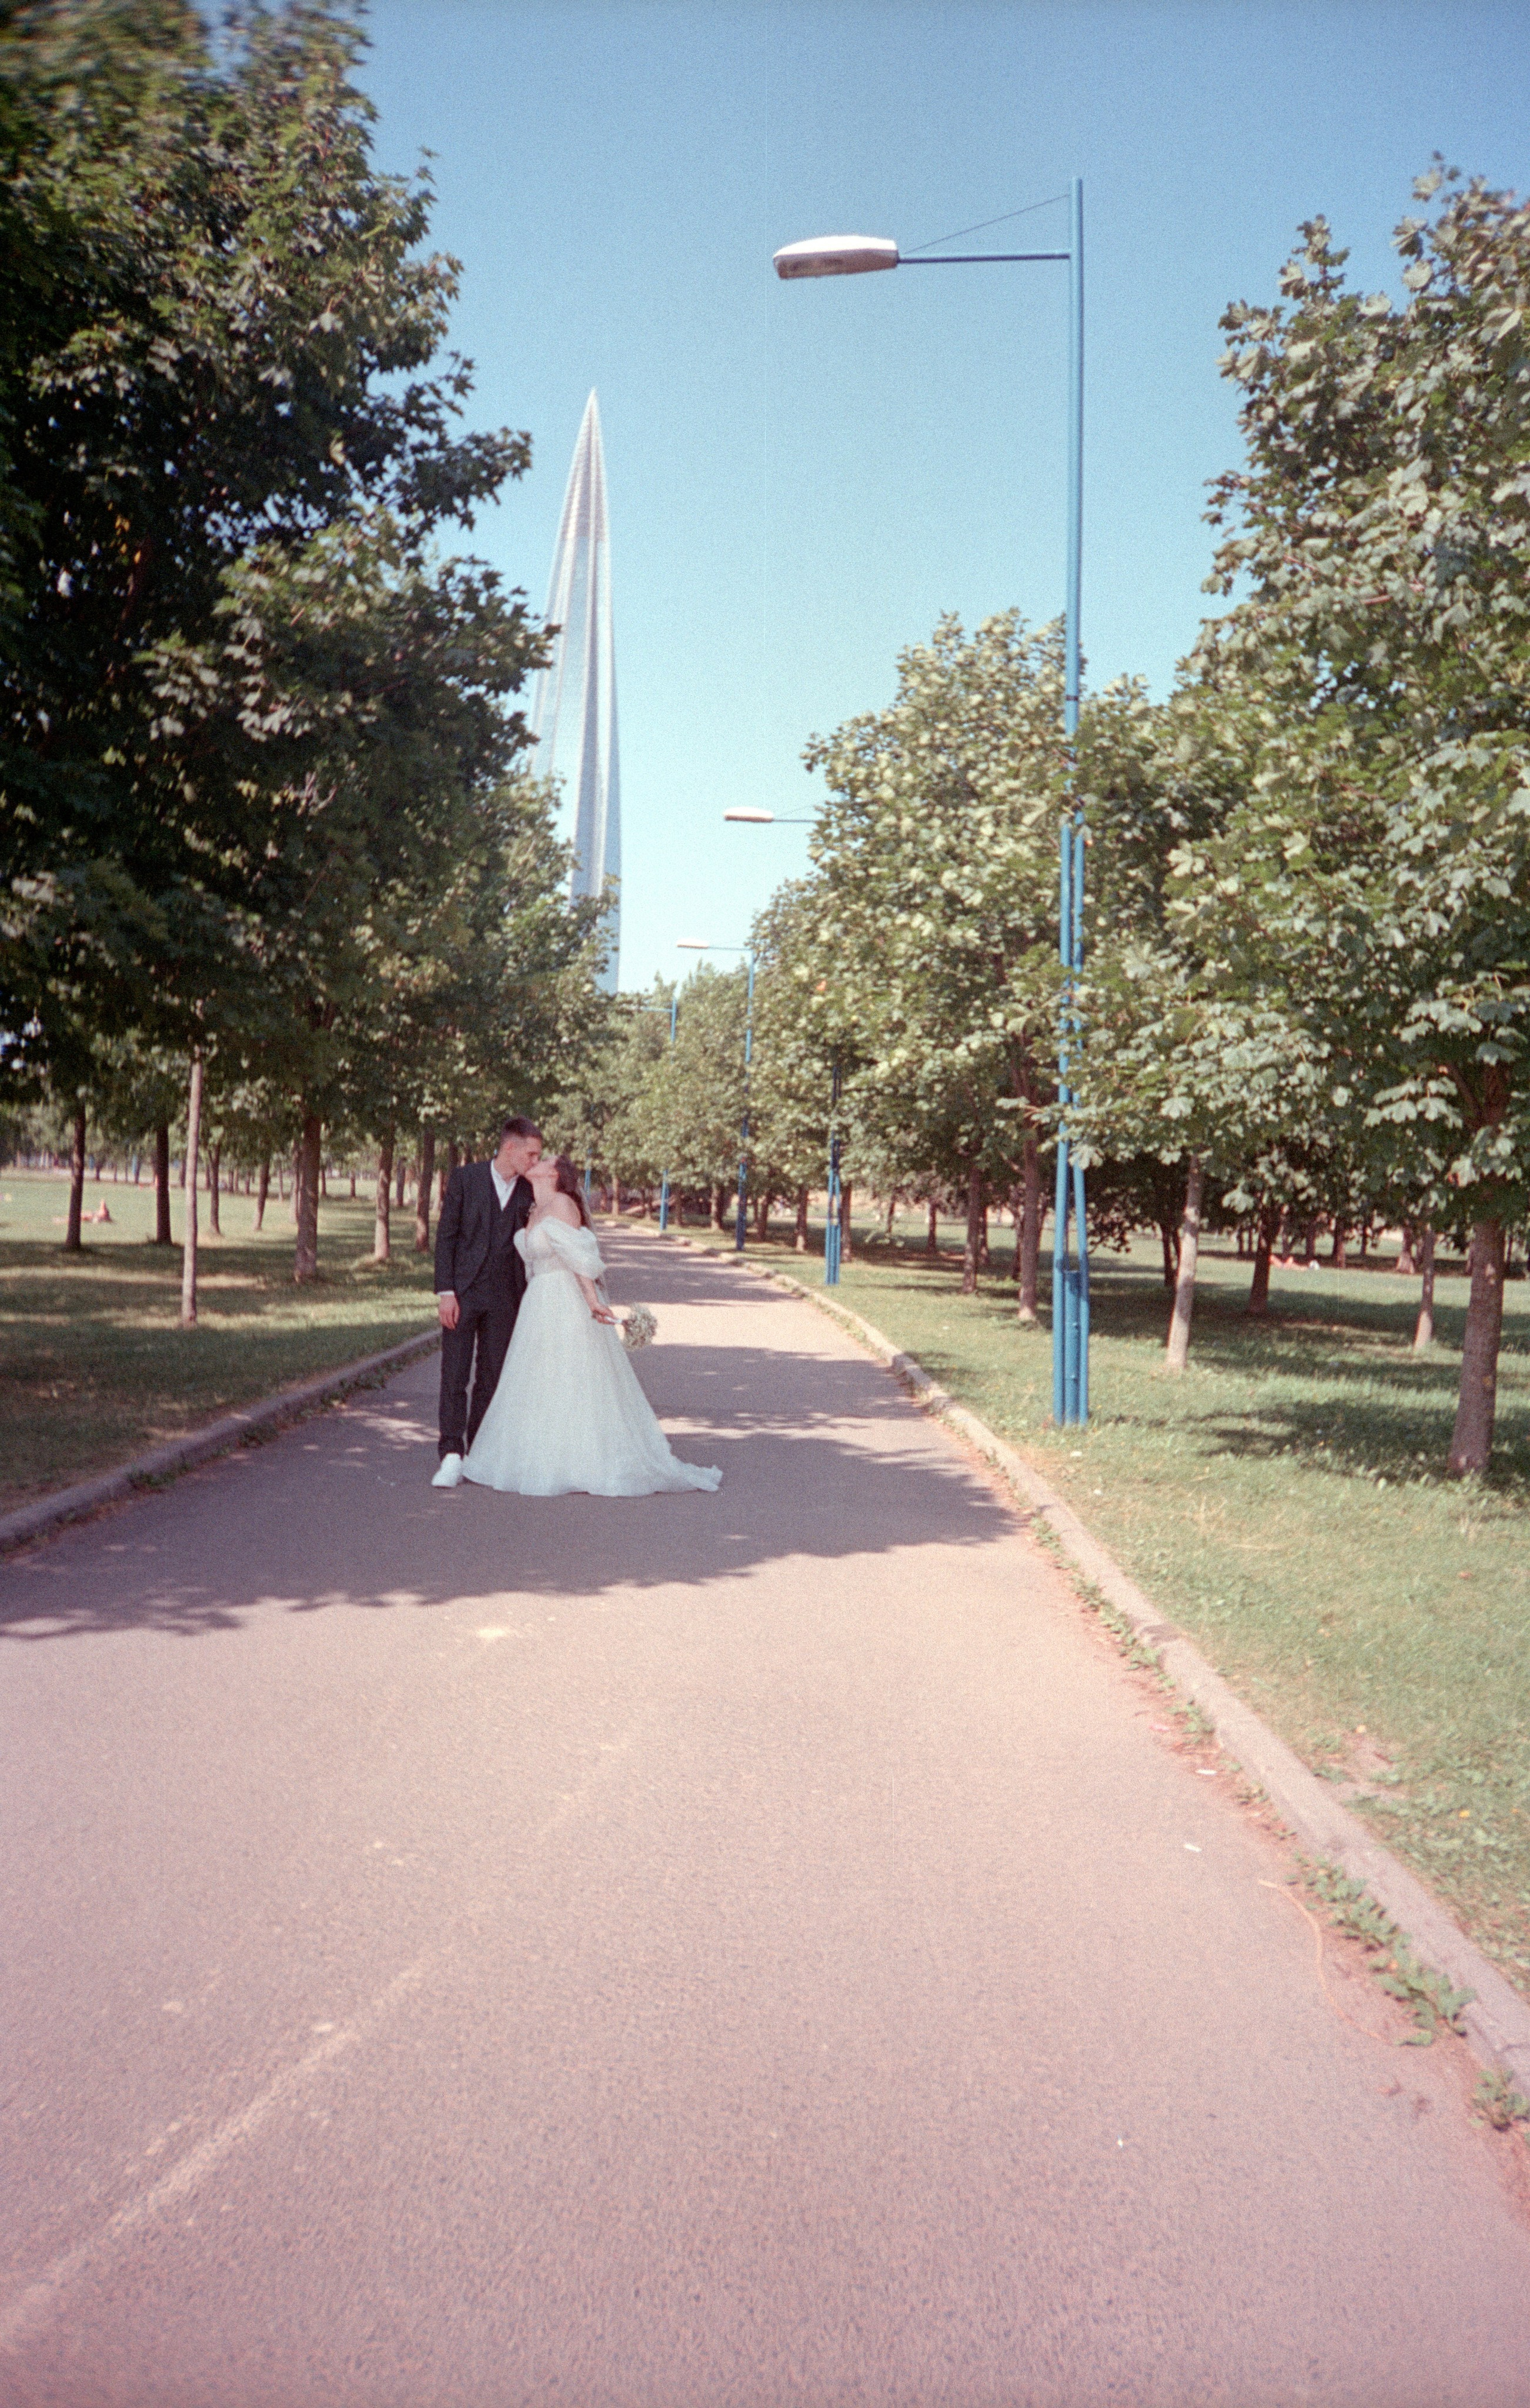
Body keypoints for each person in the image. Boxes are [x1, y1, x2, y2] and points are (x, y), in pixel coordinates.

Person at [461, 1155, 721, 1498]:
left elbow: (578, 1258)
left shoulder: (563, 1204)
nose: (535, 1161)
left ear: (554, 1173)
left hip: (563, 1298)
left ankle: (579, 1461)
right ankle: (541, 1457)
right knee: (538, 1377)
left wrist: (593, 1300)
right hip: (538, 1301)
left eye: (544, 1159)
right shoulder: (534, 1209)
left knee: (571, 1374)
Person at [431, 1116, 541, 1488]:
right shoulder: (466, 1179)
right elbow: (447, 1237)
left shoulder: (529, 1190)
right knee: (454, 1374)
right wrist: (446, 1292)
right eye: (531, 1154)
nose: (535, 1161)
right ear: (509, 1147)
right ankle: (451, 1453)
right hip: (463, 1294)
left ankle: (478, 1451)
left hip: (507, 1297)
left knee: (491, 1377)